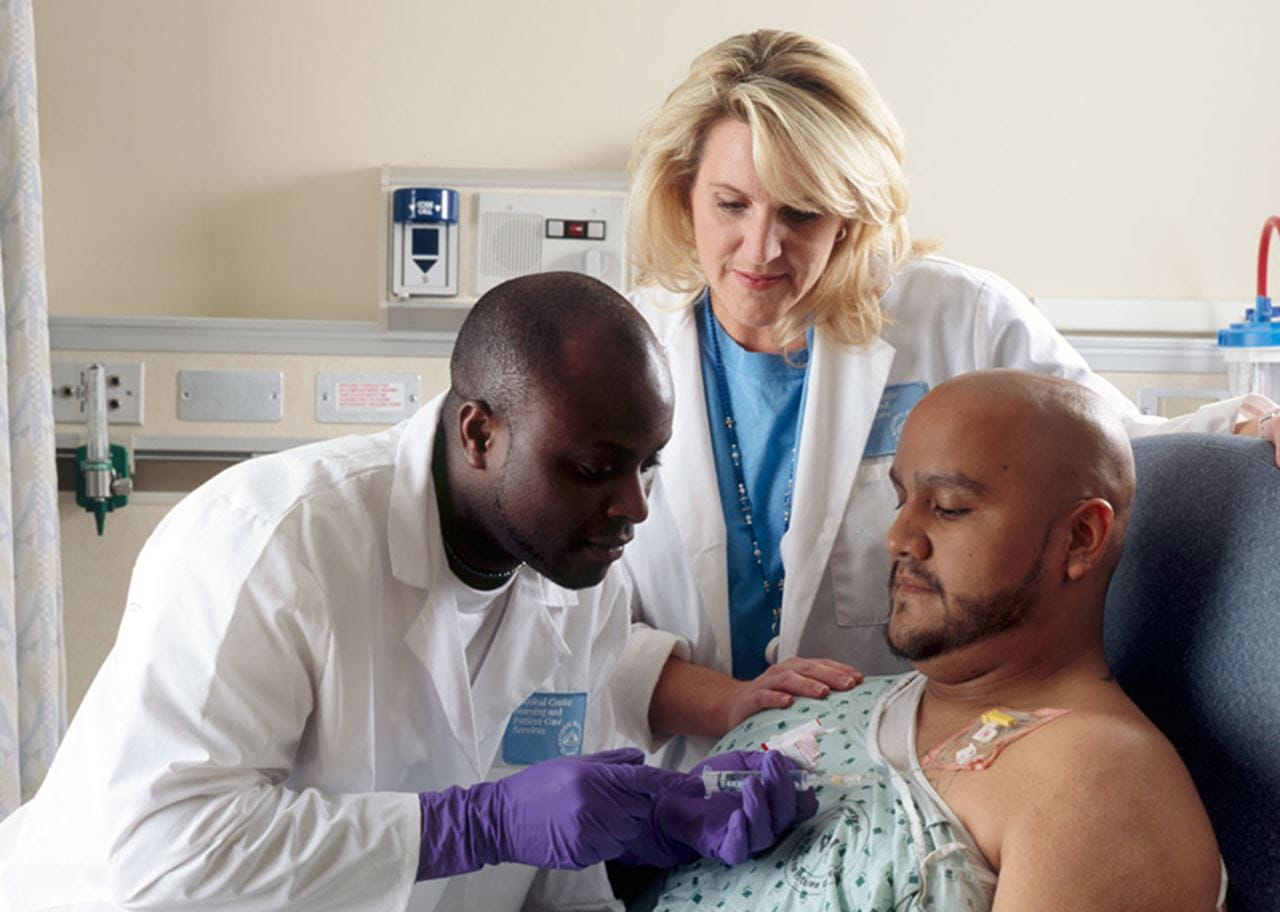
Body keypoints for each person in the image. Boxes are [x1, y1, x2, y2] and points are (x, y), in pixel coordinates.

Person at [0, 272, 812, 912]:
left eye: (648, 466)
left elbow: (553, 881)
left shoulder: (582, 587)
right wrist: (471, 824)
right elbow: (165, 853)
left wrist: (656, 829)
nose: (634, 505)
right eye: (596, 468)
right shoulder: (272, 542)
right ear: (480, 433)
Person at [610, 28, 1280, 769]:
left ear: (851, 213)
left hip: (903, 770)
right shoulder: (620, 348)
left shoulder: (957, 315)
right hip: (686, 769)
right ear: (684, 192)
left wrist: (1247, 426)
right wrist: (725, 703)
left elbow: (1108, 448)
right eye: (731, 204)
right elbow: (574, 618)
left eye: (801, 213)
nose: (761, 247)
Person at [649, 370, 1226, 911]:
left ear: (1080, 538)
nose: (898, 537)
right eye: (902, 499)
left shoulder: (1097, 785)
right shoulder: (813, 704)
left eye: (950, 509)